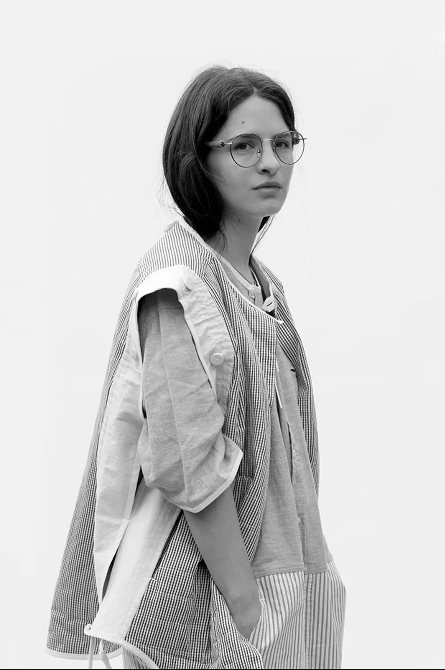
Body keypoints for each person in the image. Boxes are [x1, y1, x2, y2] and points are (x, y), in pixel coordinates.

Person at [47, 65, 347, 669]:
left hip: (289, 587)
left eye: (282, 143)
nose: (270, 163)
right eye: (244, 146)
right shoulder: (179, 285)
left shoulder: (263, 287)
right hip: (205, 604)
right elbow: (187, 464)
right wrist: (246, 609)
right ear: (199, 161)